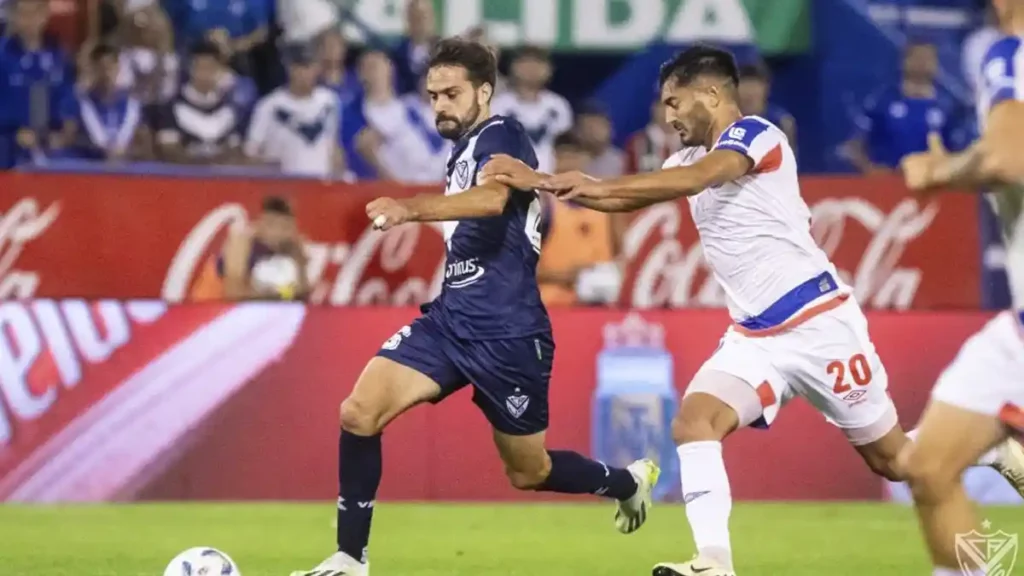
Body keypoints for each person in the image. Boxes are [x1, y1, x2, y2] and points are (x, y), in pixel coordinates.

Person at [482, 45, 1024, 576]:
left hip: (818, 325)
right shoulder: (682, 160)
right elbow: (625, 196)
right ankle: (714, 562)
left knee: (896, 461)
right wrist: (547, 183)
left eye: (674, 103)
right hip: (754, 338)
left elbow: (698, 179)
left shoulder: (757, 136)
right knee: (694, 422)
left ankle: (994, 449)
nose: (666, 116)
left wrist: (585, 183)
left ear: (712, 94)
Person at [290, 37, 660, 576]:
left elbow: (493, 200)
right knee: (358, 413)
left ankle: (627, 482)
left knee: (528, 471)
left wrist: (410, 209)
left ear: (483, 92)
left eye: (451, 93)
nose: (440, 104)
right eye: (433, 94)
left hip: (509, 333)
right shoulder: (461, 151)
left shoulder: (501, 134)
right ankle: (350, 558)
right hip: (449, 321)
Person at [899, 0, 1024, 573]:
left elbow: (1006, 158)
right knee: (928, 467)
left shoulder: (1012, 54)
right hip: (1016, 333)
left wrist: (938, 172)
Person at [843, 41, 956, 174]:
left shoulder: (948, 106)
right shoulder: (882, 100)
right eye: (917, 57)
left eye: (928, 58)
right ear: (904, 62)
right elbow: (854, 145)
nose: (922, 63)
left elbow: (957, 151)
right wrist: (871, 170)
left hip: (932, 184)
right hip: (888, 185)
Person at [245, 41, 346, 178]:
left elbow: (333, 145)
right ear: (289, 68)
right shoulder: (270, 105)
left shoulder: (329, 100)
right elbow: (251, 151)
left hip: (321, 184)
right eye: (298, 66)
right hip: (283, 184)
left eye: (308, 66)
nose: (303, 73)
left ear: (317, 68)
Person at [191, 196, 309, 301]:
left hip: (261, 311)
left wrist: (285, 292)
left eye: (284, 227)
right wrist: (276, 295)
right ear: (261, 223)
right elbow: (233, 295)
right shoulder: (241, 244)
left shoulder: (294, 247)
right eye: (271, 225)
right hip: (210, 307)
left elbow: (301, 293)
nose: (277, 232)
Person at [156, 41, 246, 165]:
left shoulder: (228, 109)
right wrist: (199, 164)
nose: (205, 75)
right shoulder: (171, 107)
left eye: (210, 68)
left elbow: (234, 148)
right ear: (191, 69)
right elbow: (169, 149)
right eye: (200, 68)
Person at [491, 45, 573, 174]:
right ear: (513, 67)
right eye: (526, 62)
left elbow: (566, 150)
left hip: (549, 180)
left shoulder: (558, 105)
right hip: (510, 178)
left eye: (538, 62)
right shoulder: (499, 105)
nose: (532, 68)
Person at [75, 43, 145, 161]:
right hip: (92, 165)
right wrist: (104, 150)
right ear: (93, 69)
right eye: (101, 68)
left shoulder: (132, 104)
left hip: (126, 167)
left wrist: (125, 151)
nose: (106, 74)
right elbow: (75, 139)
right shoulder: (82, 102)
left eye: (110, 67)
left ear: (118, 68)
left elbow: (143, 143)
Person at [736, 62, 796, 151]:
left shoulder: (781, 122)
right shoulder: (725, 120)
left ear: (766, 88)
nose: (749, 92)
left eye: (754, 86)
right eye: (744, 85)